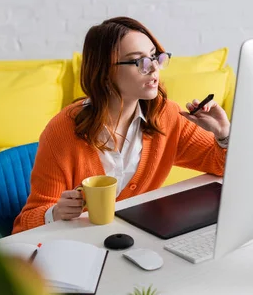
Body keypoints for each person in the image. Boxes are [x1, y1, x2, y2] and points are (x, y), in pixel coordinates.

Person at [12, 17, 230, 234]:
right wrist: (56, 213)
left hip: (138, 240)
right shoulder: (62, 131)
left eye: (155, 57)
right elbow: (24, 224)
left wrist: (223, 135)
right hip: (82, 247)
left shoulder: (166, 115)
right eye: (139, 61)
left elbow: (222, 167)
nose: (154, 69)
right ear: (105, 71)